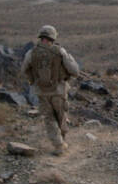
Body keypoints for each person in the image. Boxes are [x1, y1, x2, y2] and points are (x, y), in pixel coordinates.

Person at [21, 24, 80, 155]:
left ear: (40, 37)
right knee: (61, 116)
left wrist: (32, 81)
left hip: (41, 91)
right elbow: (75, 71)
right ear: (53, 37)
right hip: (58, 90)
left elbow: (24, 69)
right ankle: (62, 141)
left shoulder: (31, 53)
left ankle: (58, 145)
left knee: (48, 118)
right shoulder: (60, 51)